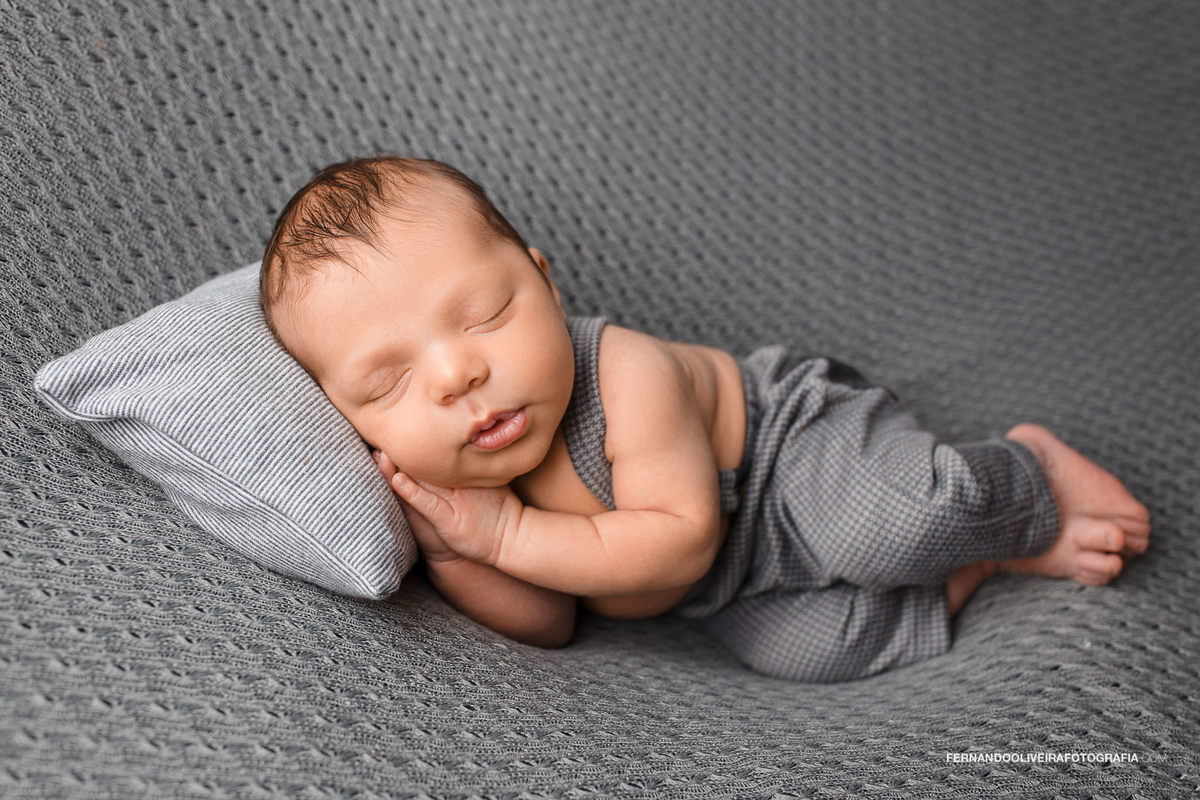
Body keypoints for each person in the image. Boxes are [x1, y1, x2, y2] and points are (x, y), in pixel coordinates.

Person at [258, 156, 1151, 682]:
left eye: (487, 313)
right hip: (729, 585)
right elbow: (551, 623)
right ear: (344, 416)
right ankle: (989, 555)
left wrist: (503, 532)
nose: (459, 373)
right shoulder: (454, 494)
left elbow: (677, 540)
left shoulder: (625, 373)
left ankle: (1022, 472)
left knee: (893, 524)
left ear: (544, 281)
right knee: (811, 652)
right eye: (386, 384)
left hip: (788, 454)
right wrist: (458, 550)